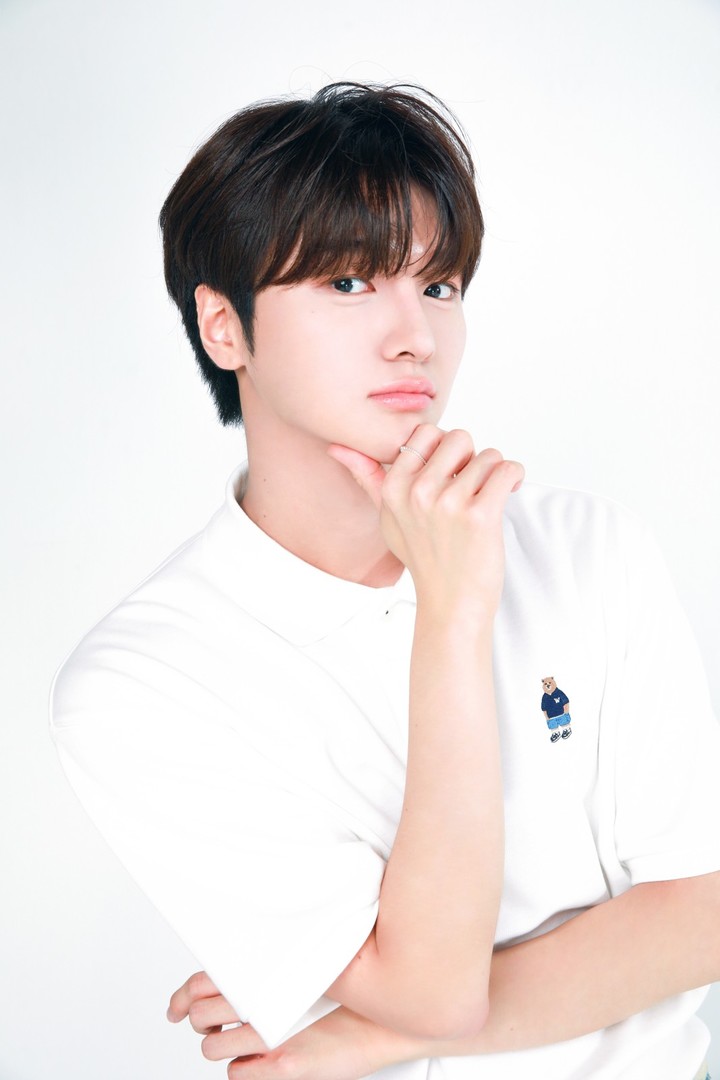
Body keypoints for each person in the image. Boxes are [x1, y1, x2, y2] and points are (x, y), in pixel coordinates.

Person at [50, 83, 720, 1080]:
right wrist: (452, 614)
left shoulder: (587, 546)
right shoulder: (145, 678)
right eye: (350, 282)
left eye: (439, 285)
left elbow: (704, 913)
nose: (416, 336)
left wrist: (349, 1031)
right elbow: (435, 992)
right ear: (224, 328)